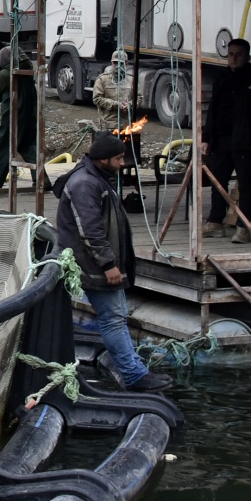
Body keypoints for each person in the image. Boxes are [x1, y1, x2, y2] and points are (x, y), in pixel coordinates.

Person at [54, 133, 173, 393]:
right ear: (103, 159)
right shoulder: (85, 184)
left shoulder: (96, 178)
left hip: (94, 264)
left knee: (116, 318)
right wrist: (109, 265)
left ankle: (136, 371)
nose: (123, 164)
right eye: (119, 158)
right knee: (113, 319)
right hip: (92, 266)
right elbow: (91, 231)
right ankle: (134, 375)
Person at [202, 38, 251, 243]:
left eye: (238, 54)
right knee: (218, 182)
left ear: (247, 56)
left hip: (245, 140)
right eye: (230, 54)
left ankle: (243, 226)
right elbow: (212, 110)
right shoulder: (222, 78)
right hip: (221, 139)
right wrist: (207, 138)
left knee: (245, 185)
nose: (234, 58)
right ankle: (215, 222)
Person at [0, 47, 38, 189]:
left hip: (14, 115)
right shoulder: (28, 70)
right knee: (29, 145)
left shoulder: (6, 74)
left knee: (1, 146)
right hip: (30, 113)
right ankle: (41, 178)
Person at [91, 50, 134, 130]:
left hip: (126, 126)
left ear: (126, 64)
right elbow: (96, 99)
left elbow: (139, 97)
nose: (117, 66)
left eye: (121, 63)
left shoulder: (131, 80)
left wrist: (130, 105)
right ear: (111, 63)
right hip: (108, 125)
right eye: (115, 63)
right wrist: (116, 105)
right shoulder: (102, 79)